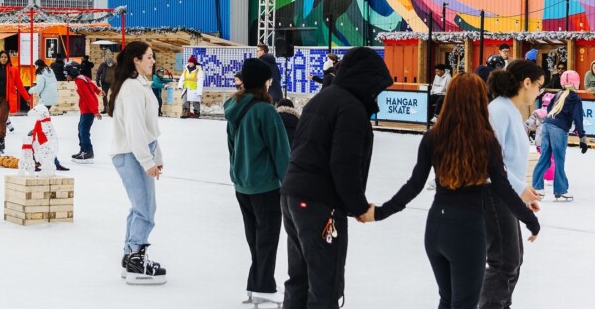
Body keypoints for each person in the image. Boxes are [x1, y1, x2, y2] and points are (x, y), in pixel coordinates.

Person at [361, 74, 541, 309]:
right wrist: (530, 220)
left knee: (447, 301)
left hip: (435, 229)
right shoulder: (486, 141)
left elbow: (414, 185)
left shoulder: (433, 137)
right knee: (463, 303)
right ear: (479, 100)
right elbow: (503, 188)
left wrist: (380, 213)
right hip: (467, 233)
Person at [280, 47, 393, 309]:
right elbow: (345, 165)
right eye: (377, 87)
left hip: (293, 196)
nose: (377, 94)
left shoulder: (322, 99)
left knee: (299, 277)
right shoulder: (350, 109)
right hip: (319, 203)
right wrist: (358, 207)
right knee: (324, 283)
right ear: (365, 80)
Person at [481, 59, 545, 309]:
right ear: (526, 83)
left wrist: (520, 194)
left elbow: (508, 160)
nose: (539, 92)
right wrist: (518, 188)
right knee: (504, 261)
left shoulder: (510, 111)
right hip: (492, 192)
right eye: (539, 85)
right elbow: (491, 161)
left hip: (504, 194)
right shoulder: (498, 110)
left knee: (513, 259)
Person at [226, 58, 290, 307]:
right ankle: (263, 287)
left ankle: (256, 286)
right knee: (267, 238)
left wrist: (236, 174)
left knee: (255, 238)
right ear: (262, 82)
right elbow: (280, 151)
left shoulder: (234, 106)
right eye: (268, 79)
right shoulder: (265, 111)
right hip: (265, 185)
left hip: (242, 184)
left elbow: (231, 147)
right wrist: (289, 183)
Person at [108, 41, 167, 285]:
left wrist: (157, 156)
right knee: (145, 210)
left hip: (139, 151)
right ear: (136, 59)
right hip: (132, 153)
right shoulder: (132, 88)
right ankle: (136, 259)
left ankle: (130, 256)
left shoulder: (139, 84)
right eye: (149, 57)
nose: (153, 61)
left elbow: (149, 128)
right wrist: (146, 160)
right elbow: (135, 128)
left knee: (139, 207)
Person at [531, 71, 588, 202]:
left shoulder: (557, 94)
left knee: (544, 157)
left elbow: (549, 109)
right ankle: (560, 190)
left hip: (546, 126)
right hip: (559, 130)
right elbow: (578, 119)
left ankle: (537, 188)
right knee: (559, 159)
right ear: (576, 83)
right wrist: (582, 138)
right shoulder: (575, 98)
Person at [0, 51, 31, 156]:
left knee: (1, 118)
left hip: (6, 98)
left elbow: (19, 85)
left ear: (8, 59)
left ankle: (1, 140)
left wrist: (27, 97)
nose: (4, 59)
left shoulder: (13, 70)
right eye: (2, 57)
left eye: (5, 57)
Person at [72, 67, 102, 163]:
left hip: (88, 109)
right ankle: (83, 150)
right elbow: (92, 85)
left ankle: (88, 152)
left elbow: (88, 97)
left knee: (84, 131)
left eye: (66, 73)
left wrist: (95, 111)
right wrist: (98, 91)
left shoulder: (79, 82)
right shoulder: (82, 78)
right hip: (86, 109)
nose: (65, 76)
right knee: (80, 129)